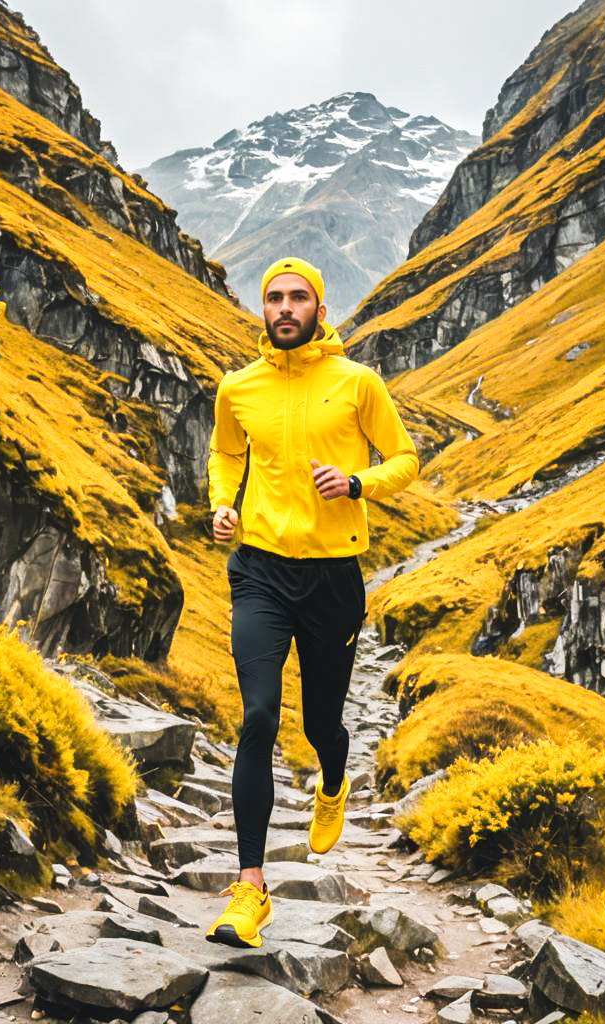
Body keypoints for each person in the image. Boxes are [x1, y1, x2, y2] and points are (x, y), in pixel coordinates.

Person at [204, 256, 419, 948]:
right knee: (259, 716)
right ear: (262, 309)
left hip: (332, 579)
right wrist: (222, 506)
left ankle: (333, 777)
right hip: (259, 571)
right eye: (275, 297)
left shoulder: (358, 384)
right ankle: (249, 891)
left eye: (300, 297)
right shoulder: (238, 387)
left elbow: (405, 458)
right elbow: (226, 455)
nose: (286, 307)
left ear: (320, 310)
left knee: (322, 724)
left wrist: (358, 484)